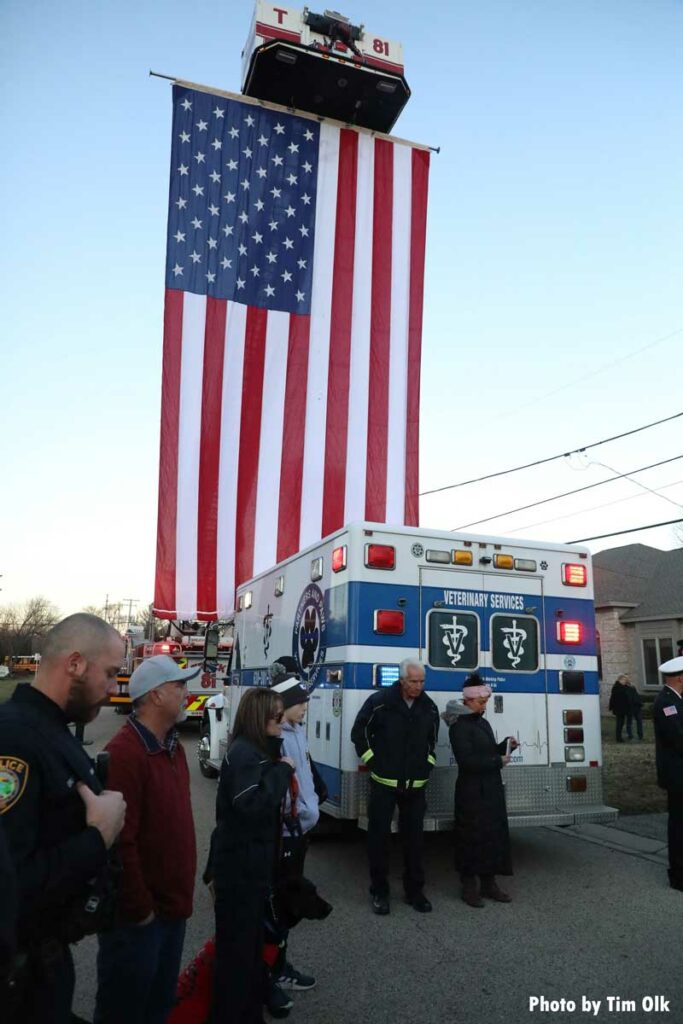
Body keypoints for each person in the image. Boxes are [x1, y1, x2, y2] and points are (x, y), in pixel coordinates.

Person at [0, 613, 127, 1024]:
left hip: (48, 965)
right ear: (74, 664)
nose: (112, 689)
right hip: (20, 984)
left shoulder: (54, 730)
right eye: (109, 674)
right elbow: (10, 883)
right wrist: (98, 836)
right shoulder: (15, 738)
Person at [94, 654, 200, 1024]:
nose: (187, 693)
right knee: (125, 1011)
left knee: (158, 1009)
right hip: (140, 922)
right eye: (179, 686)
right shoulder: (124, 754)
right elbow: (120, 842)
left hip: (171, 912)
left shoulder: (174, 748)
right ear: (155, 696)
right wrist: (141, 911)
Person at [206, 687, 294, 1024]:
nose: (281, 719)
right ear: (260, 717)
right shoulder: (245, 754)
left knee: (249, 952)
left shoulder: (257, 750)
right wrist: (282, 771)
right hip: (239, 871)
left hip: (252, 867)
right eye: (276, 714)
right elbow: (251, 805)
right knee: (236, 959)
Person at [351, 657, 439, 915]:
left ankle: (415, 892)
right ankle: (379, 891)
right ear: (401, 681)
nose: (418, 686)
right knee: (379, 840)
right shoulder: (380, 703)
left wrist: (427, 765)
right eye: (413, 681)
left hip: (416, 786)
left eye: (422, 681)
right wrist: (373, 762)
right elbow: (359, 733)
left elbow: (433, 741)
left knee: (415, 842)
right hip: (384, 785)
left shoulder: (429, 707)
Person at [267, 662, 326, 1012]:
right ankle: (271, 973)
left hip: (299, 830)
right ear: (283, 705)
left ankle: (277, 964)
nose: (306, 706)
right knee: (277, 907)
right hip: (286, 834)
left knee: (284, 907)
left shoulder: (297, 731)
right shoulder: (276, 738)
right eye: (300, 701)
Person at [444, 673, 519, 908]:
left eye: (485, 701)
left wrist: (505, 746)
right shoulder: (459, 727)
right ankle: (468, 886)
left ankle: (489, 883)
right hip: (471, 791)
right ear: (467, 701)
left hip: (490, 789)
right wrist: (498, 761)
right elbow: (467, 761)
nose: (484, 705)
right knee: (471, 837)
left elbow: (486, 752)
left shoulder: (481, 722)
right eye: (480, 701)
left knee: (491, 836)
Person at [652, 656, 683, 891]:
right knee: (679, 825)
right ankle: (678, 875)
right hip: (677, 774)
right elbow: (678, 738)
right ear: (680, 678)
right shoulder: (666, 702)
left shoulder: (677, 700)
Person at [608, 675, 633, 742]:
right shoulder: (617, 687)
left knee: (621, 723)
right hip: (619, 709)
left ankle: (619, 737)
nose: (625, 681)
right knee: (619, 723)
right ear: (620, 680)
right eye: (624, 680)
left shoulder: (623, 687)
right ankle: (618, 737)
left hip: (622, 708)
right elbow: (615, 699)